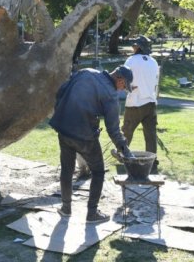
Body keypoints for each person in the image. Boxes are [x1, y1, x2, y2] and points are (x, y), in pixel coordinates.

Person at [49, 66, 134, 223]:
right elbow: (113, 129)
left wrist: (60, 112)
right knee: (98, 171)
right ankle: (92, 213)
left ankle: (66, 208)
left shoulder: (87, 72)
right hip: (84, 135)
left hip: (64, 128)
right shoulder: (110, 94)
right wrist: (124, 148)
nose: (123, 90)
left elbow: (61, 91)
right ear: (120, 79)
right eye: (124, 86)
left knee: (67, 169)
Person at [122, 35, 160, 173]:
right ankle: (153, 161)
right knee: (150, 135)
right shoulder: (154, 62)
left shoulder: (131, 60)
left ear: (139, 47)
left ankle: (123, 156)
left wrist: (128, 88)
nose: (133, 47)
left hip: (135, 102)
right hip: (151, 102)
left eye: (135, 46)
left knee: (126, 132)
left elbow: (124, 78)